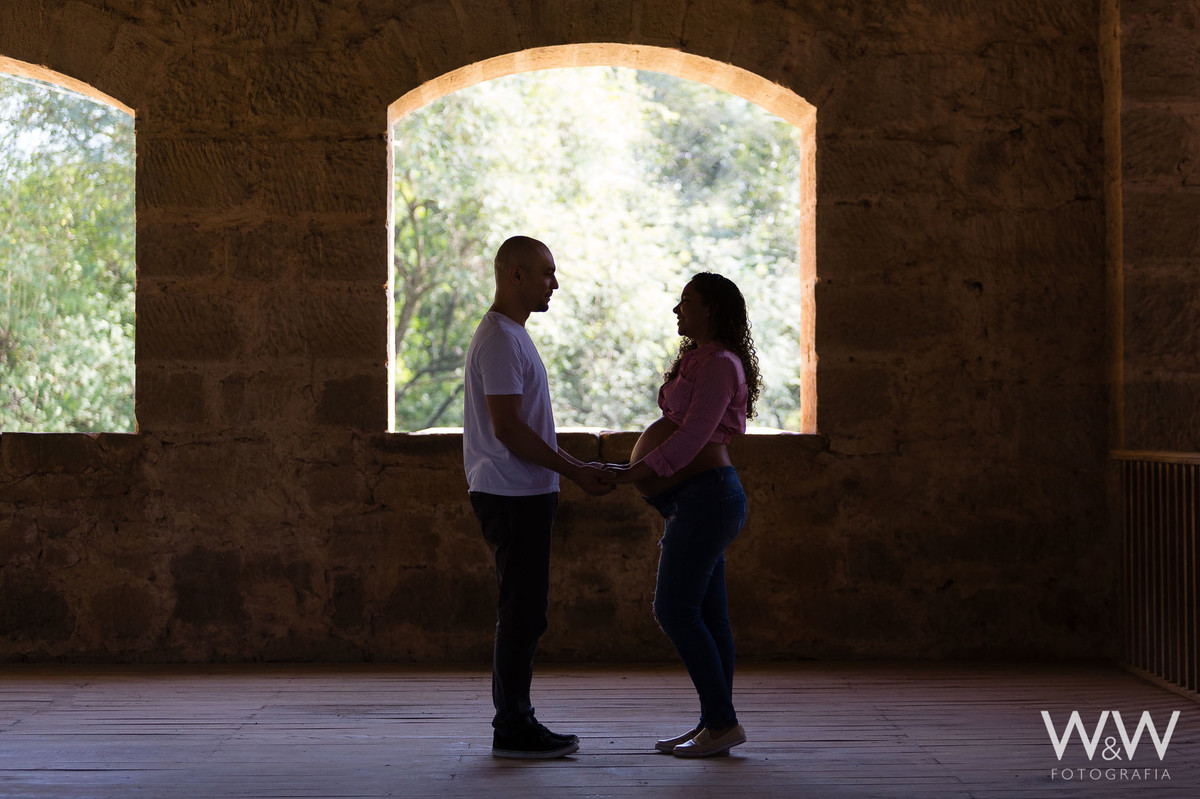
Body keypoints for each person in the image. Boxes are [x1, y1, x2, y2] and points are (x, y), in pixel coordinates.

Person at [463, 235, 615, 759]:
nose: (556, 281)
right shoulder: (502, 340)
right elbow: (508, 428)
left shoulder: (511, 336)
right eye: (547, 272)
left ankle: (515, 721)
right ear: (516, 275)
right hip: (512, 493)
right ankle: (512, 728)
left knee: (525, 611)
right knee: (522, 612)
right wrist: (574, 469)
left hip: (521, 492)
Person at [606, 272, 761, 758]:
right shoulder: (702, 360)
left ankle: (721, 722)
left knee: (674, 610)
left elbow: (694, 436)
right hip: (697, 499)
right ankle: (713, 723)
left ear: (712, 309)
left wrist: (630, 474)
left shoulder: (719, 365)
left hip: (707, 499)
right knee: (710, 616)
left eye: (686, 302)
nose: (677, 309)